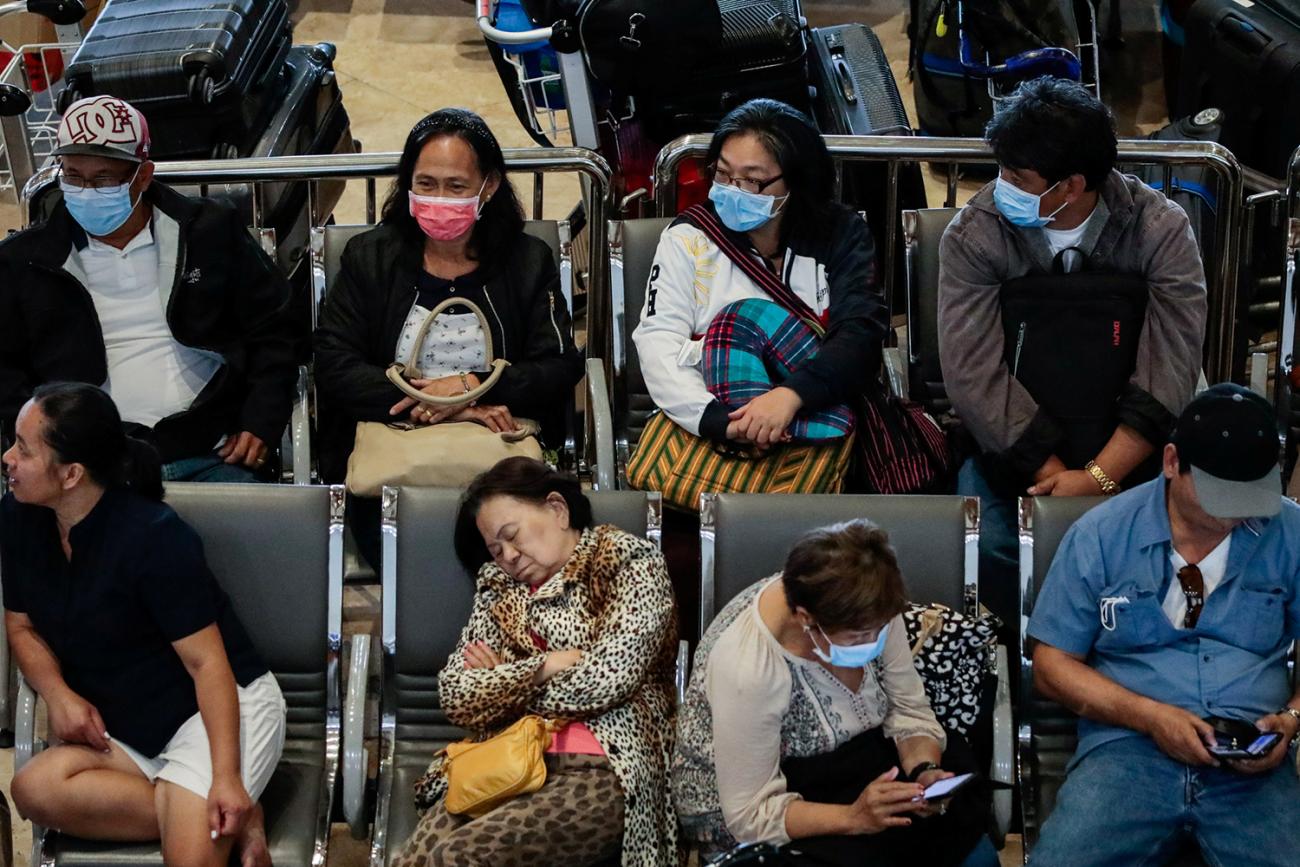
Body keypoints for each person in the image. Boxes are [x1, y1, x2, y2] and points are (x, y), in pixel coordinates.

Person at [937, 76, 1207, 630]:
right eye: (1001, 172)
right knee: (994, 550)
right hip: (1015, 452)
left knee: (1166, 550)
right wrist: (1053, 476)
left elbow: (1172, 363)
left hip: (1130, 445)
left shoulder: (1159, 229)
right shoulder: (975, 234)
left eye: (1017, 178)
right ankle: (1019, 668)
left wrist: (1100, 478)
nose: (1001, 187)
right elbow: (972, 373)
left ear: (1072, 185)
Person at [1, 382, 286, 867]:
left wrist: (225, 777)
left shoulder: (155, 537)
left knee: (189, 861)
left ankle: (213, 804)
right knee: (34, 788)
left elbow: (207, 665)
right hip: (127, 726)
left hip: (213, 710)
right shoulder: (19, 516)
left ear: (71, 474)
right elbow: (21, 627)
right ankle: (228, 816)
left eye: (23, 449)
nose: (8, 458)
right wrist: (58, 694)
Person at [1026, 384, 1300, 866]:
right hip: (1128, 748)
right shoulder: (1101, 534)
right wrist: (1151, 718)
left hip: (1250, 753)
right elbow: (1051, 665)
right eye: (1222, 494)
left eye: (1250, 494)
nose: (1238, 511)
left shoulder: (1290, 532)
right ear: (1172, 462)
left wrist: (1291, 719)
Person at [313, 108, 584, 566]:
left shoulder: (527, 261)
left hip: (501, 462)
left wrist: (468, 386)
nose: (439, 198)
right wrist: (442, 405)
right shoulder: (371, 258)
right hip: (394, 458)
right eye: (426, 184)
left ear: (489, 186)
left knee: (525, 555)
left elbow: (558, 366)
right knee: (413, 566)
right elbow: (334, 361)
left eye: (456, 187)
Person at [392, 457, 678, 867]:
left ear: (557, 509)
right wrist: (543, 666)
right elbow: (456, 695)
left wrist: (501, 683)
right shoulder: (499, 588)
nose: (507, 555)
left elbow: (607, 679)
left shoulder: (626, 563)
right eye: (495, 548)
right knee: (417, 857)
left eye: (512, 535)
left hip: (606, 766)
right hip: (504, 761)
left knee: (458, 857)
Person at [0, 96, 298, 483]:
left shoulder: (209, 233)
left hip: (211, 449)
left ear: (142, 176)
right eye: (72, 175)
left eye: (103, 178)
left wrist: (262, 419)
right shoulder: (23, 262)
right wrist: (42, 442)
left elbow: (275, 328)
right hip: (87, 468)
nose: (86, 191)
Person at [673, 520, 998, 867]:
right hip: (761, 802)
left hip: (848, 763)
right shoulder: (748, 667)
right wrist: (855, 818)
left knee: (971, 849)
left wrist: (924, 770)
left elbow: (909, 709)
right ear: (805, 619)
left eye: (880, 631)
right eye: (859, 638)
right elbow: (751, 815)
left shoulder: (873, 608)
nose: (874, 644)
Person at [632, 98, 886, 454]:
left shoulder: (841, 234)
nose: (733, 190)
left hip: (822, 425)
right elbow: (659, 341)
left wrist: (790, 396)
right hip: (717, 430)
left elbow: (860, 333)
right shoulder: (689, 238)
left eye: (752, 181)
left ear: (795, 180)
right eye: (722, 174)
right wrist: (719, 420)